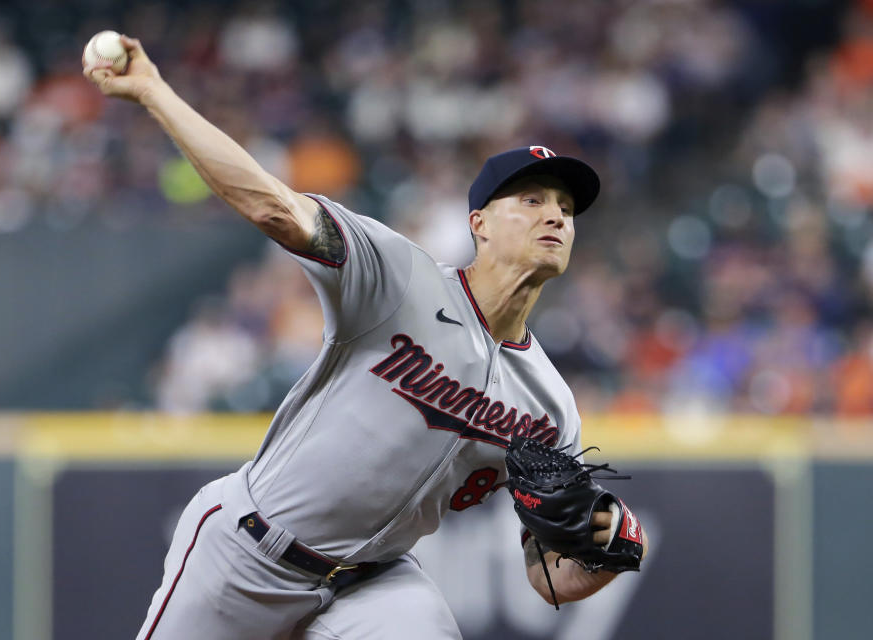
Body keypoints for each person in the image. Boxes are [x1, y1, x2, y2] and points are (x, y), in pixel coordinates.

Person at [84, 35, 648, 640]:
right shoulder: (397, 277)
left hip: (375, 581)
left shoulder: (549, 406)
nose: (556, 216)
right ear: (478, 224)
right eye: (532, 199)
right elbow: (273, 205)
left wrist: (608, 550)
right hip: (249, 550)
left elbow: (549, 577)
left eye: (565, 207)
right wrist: (154, 92)